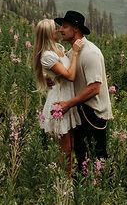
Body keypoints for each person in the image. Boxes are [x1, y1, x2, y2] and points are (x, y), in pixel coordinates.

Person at [54, 10, 113, 169]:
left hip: (94, 113)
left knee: (97, 158)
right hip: (81, 111)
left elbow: (94, 88)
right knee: (82, 158)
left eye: (65, 26)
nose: (61, 30)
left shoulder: (90, 53)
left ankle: (105, 188)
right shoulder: (74, 51)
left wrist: (68, 104)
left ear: (76, 29)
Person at [33, 18, 84, 173]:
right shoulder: (47, 56)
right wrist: (75, 53)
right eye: (55, 29)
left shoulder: (59, 49)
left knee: (71, 145)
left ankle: (67, 179)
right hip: (59, 102)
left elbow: (62, 67)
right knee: (65, 147)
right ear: (48, 33)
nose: (59, 30)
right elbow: (69, 75)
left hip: (67, 98)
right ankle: (64, 183)